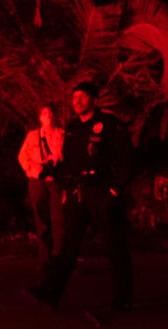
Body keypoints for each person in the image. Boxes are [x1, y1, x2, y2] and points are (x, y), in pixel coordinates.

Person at [25, 79, 134, 316]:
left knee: (115, 247)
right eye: (74, 98)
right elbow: (69, 163)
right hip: (79, 192)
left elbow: (127, 160)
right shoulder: (73, 129)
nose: (77, 101)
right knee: (68, 246)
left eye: (83, 97)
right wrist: (56, 174)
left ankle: (123, 298)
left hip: (103, 192)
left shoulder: (109, 125)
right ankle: (50, 293)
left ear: (94, 100)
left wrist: (115, 190)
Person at [17, 103, 66, 264]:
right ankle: (45, 258)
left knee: (59, 220)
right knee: (41, 220)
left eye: (51, 113)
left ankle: (60, 257)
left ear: (55, 116)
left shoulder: (62, 135)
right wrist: (33, 169)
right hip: (37, 180)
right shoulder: (32, 136)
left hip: (56, 181)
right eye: (45, 114)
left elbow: (68, 159)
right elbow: (22, 157)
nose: (48, 117)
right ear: (40, 117)